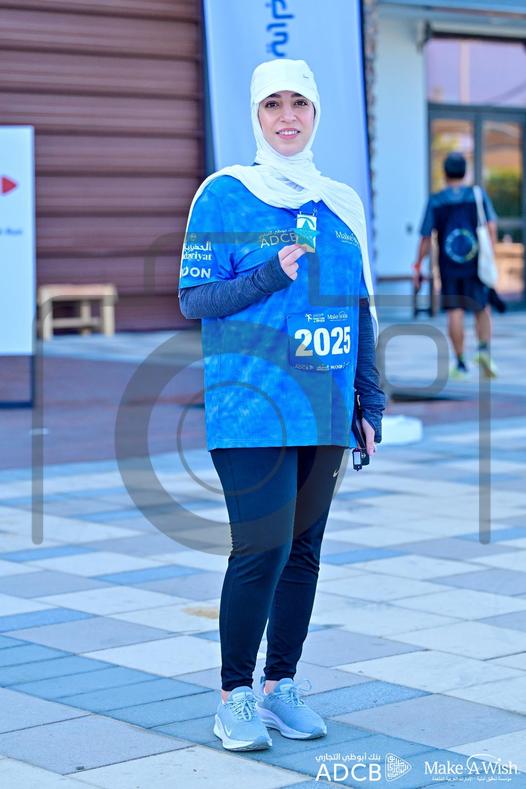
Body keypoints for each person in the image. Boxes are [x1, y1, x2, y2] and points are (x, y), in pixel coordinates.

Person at [178, 58, 385, 752]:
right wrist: (269, 273)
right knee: (261, 547)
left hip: (324, 405)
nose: (287, 116)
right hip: (250, 408)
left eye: (300, 103)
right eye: (274, 105)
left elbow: (360, 310)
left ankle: (280, 687)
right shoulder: (224, 194)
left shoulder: (341, 204)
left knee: (303, 553)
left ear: (317, 112)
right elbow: (195, 299)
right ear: (256, 115)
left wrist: (370, 400)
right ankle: (233, 696)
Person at [412, 151, 499, 380]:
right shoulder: (476, 195)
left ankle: (460, 363)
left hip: (449, 266)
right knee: (482, 306)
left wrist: (418, 265)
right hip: (476, 263)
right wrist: (491, 254)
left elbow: (425, 237)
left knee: (455, 312)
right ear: (465, 172)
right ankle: (483, 351)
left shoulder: (436, 200)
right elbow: (491, 227)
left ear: (445, 173)